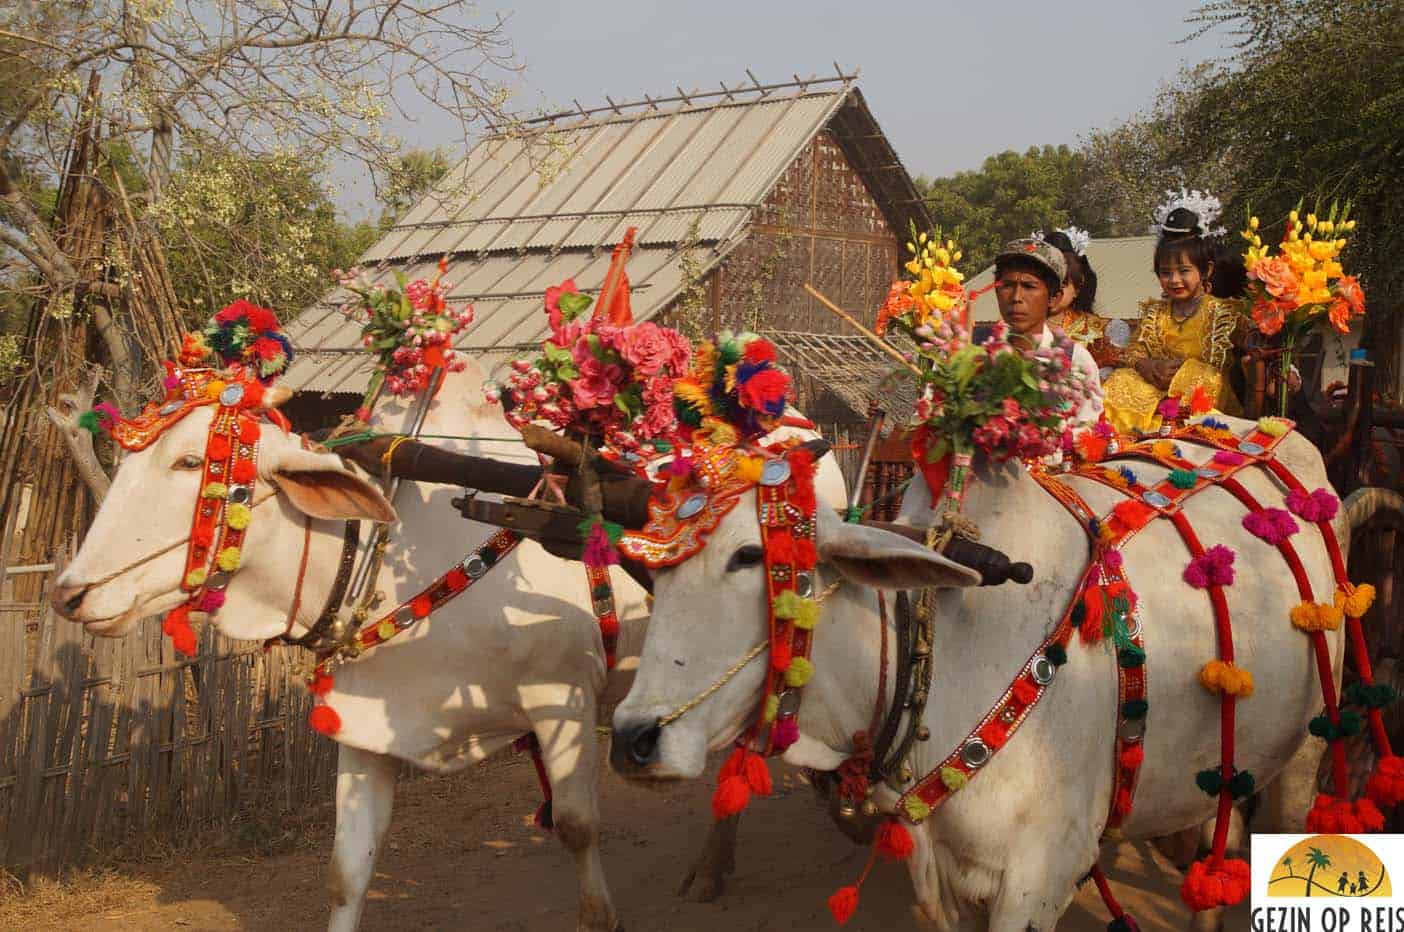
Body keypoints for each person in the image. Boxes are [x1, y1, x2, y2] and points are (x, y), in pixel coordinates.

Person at [1102, 205, 1246, 434]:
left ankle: (1172, 422)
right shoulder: (1155, 312)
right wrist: (1148, 365)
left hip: (1202, 397)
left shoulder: (1224, 312)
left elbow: (1255, 346)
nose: (1175, 280)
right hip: (1155, 395)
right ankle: (1155, 423)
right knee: (1121, 379)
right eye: (1166, 273)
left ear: (1206, 270)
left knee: (1200, 374)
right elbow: (1134, 352)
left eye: (1184, 271)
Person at [992, 237, 1103, 428]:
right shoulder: (974, 354)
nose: (1016, 298)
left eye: (1029, 286)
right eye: (1007, 285)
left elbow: (1086, 434)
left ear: (1054, 297)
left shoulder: (1076, 361)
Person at [1042, 228, 1122, 370]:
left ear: (1077, 289)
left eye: (1064, 285)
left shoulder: (1093, 327)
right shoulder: (1019, 323)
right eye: (1046, 284)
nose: (1054, 291)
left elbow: (1108, 368)